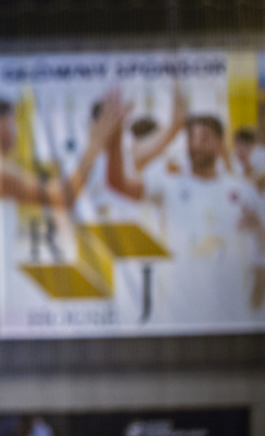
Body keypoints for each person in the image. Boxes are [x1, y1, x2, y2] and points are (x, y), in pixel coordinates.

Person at [106, 101, 265, 325]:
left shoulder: (243, 192)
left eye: (204, 138)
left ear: (221, 144)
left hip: (231, 320)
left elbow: (260, 248)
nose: (196, 144)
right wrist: (113, 136)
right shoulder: (169, 184)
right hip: (179, 320)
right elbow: (118, 183)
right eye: (191, 138)